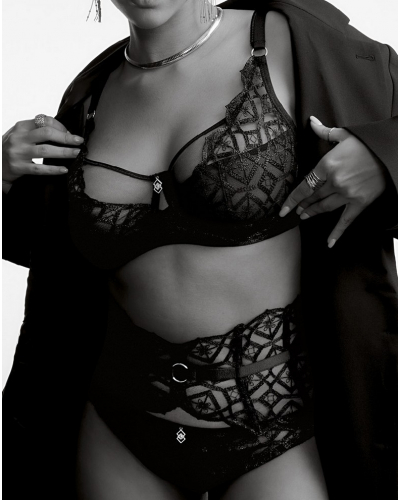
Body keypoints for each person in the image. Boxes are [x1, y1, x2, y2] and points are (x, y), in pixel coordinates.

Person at [2, 1, 397, 499]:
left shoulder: (287, 39)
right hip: (119, 428)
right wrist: (4, 178)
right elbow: (58, 264)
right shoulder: (91, 95)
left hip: (278, 433)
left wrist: (388, 152)